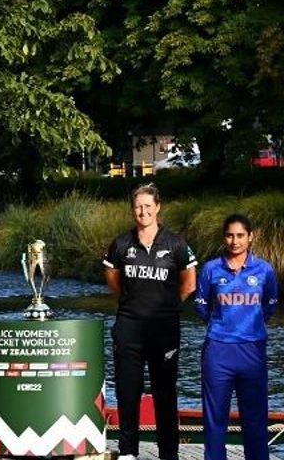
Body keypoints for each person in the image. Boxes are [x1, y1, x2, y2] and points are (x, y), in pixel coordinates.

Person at [102, 182, 197, 460]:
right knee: (127, 391)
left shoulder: (176, 244)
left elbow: (189, 284)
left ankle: (168, 453)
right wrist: (136, 303)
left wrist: (165, 306)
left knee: (164, 392)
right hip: (129, 325)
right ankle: (128, 451)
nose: (142, 211)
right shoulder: (121, 244)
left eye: (147, 206)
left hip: (164, 329)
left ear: (157, 207)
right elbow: (114, 282)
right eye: (137, 206)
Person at [195, 214, 278, 460]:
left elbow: (270, 306)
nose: (235, 241)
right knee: (215, 419)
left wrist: (249, 325)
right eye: (230, 235)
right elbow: (201, 307)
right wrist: (223, 325)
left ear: (250, 237)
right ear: (224, 237)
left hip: (252, 351)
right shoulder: (211, 269)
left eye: (240, 235)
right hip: (218, 352)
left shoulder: (264, 270)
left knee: (255, 419)